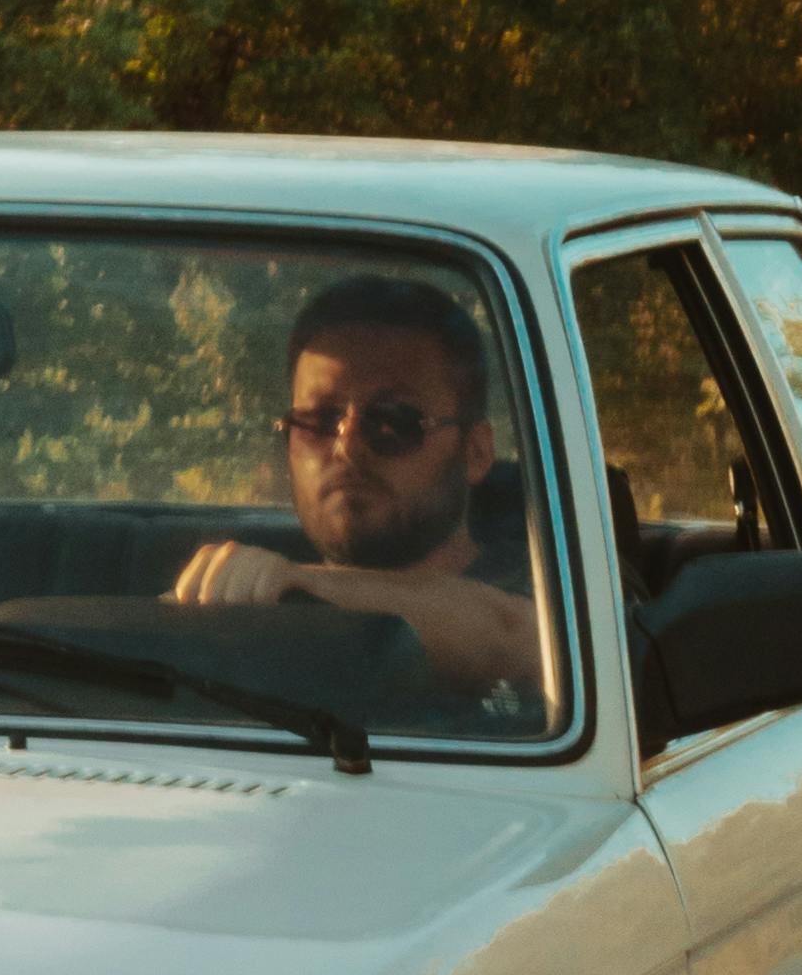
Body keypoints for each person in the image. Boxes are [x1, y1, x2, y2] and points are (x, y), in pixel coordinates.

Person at [170, 275, 548, 708]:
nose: (347, 448)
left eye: (394, 420)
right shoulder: (250, 603)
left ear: (476, 452)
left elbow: (508, 635)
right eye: (318, 420)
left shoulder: (553, 584)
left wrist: (296, 585)